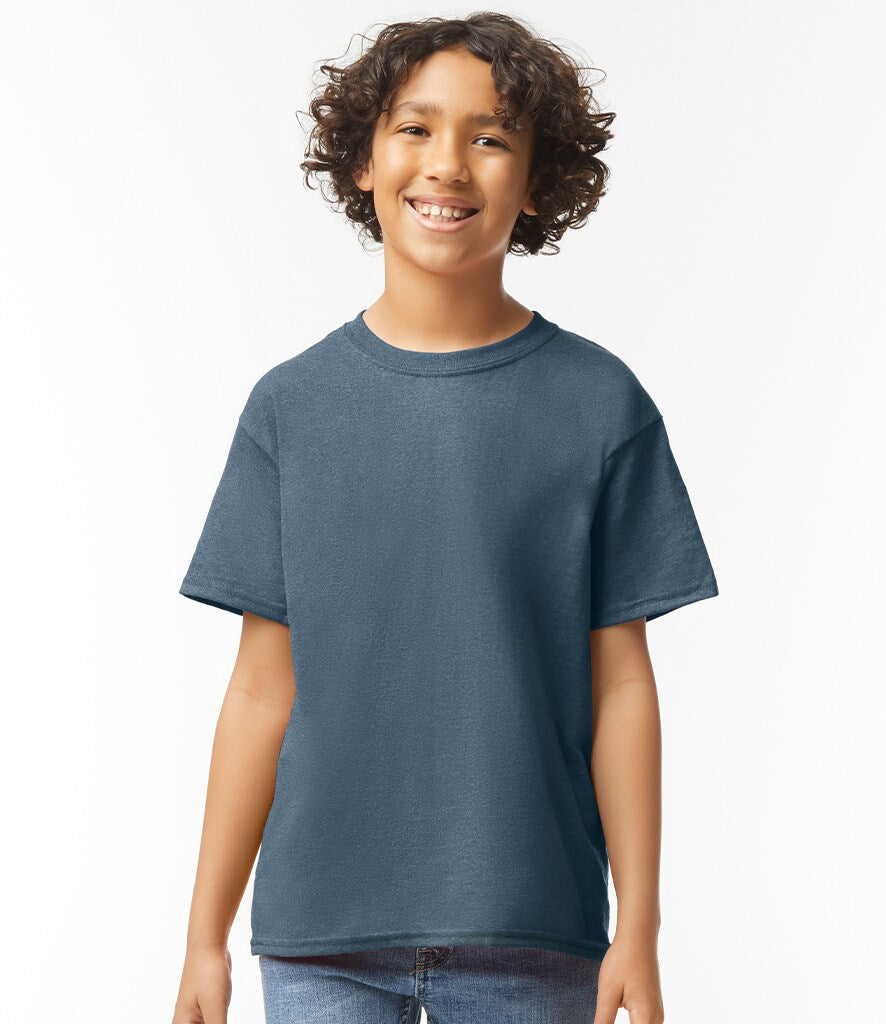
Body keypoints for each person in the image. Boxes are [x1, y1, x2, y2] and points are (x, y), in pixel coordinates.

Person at [172, 13, 719, 1024]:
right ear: (364, 161)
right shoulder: (290, 408)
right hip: (320, 933)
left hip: (531, 929)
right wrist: (204, 937)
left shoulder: (600, 405)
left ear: (538, 180)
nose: (448, 164)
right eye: (415, 128)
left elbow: (621, 683)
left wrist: (638, 924)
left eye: (492, 136)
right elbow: (258, 688)